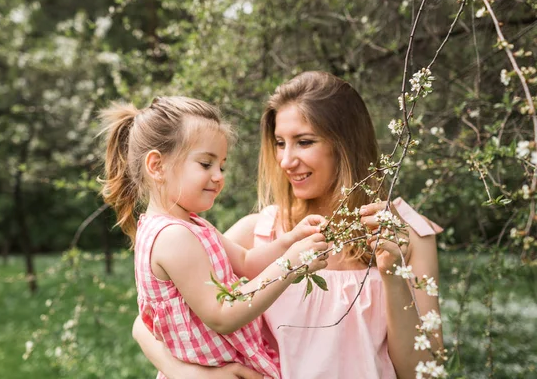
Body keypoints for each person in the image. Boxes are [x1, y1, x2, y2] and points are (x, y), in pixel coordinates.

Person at [132, 72, 444, 379]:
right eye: (280, 143)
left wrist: (392, 275)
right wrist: (188, 374)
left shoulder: (407, 232)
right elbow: (149, 322)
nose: (286, 160)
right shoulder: (257, 231)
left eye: (304, 142)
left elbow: (424, 374)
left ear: (346, 144)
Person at [99, 96, 330, 379]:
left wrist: (289, 241)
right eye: (206, 164)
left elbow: (245, 262)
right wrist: (289, 266)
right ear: (157, 166)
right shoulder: (173, 237)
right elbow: (222, 315)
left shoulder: (193, 225)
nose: (218, 176)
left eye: (221, 166)